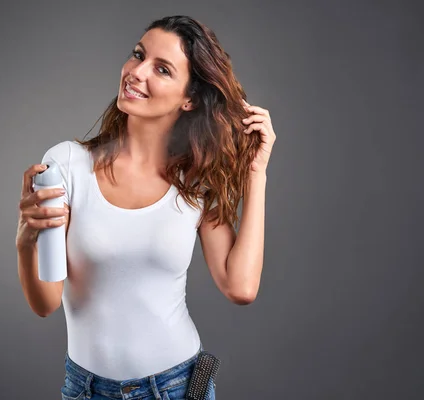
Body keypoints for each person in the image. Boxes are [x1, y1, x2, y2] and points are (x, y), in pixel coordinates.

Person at [16, 15, 276, 400]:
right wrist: (25, 243)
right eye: (138, 55)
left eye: (162, 69)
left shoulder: (196, 181)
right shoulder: (66, 165)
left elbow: (240, 286)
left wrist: (257, 173)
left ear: (189, 98)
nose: (136, 72)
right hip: (87, 390)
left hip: (176, 386)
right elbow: (45, 303)